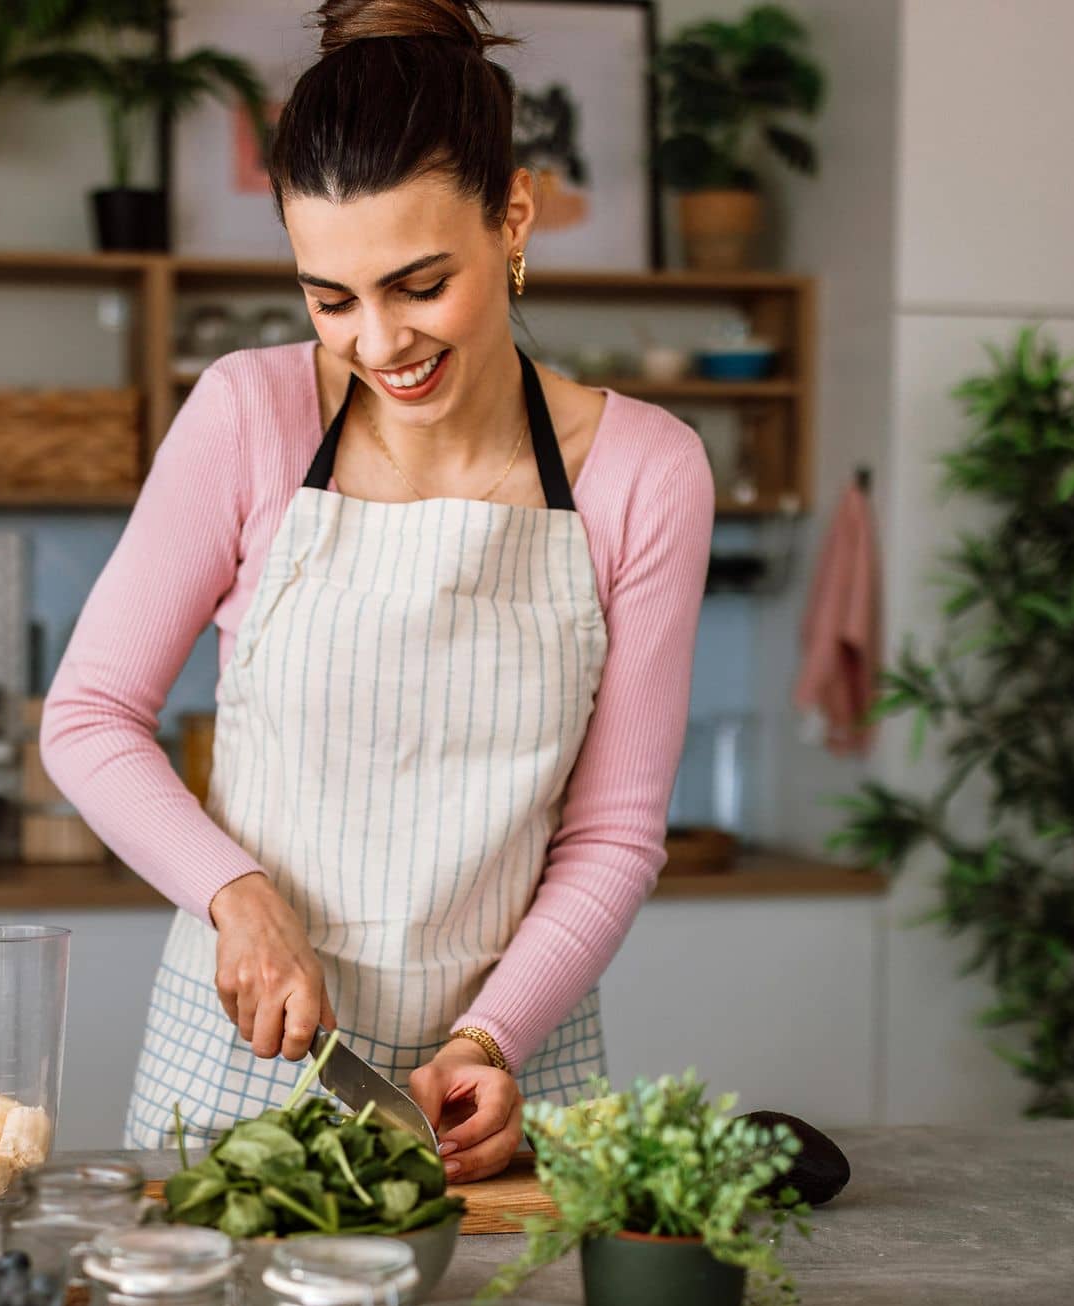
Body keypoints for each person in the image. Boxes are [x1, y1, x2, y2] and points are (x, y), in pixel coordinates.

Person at [40, 0, 713, 1182]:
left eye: (417, 284)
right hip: (245, 1061)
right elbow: (87, 716)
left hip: (507, 1084)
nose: (378, 341)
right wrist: (234, 899)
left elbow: (611, 834)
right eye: (328, 297)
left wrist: (489, 1037)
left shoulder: (645, 472)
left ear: (512, 217)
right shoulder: (251, 414)